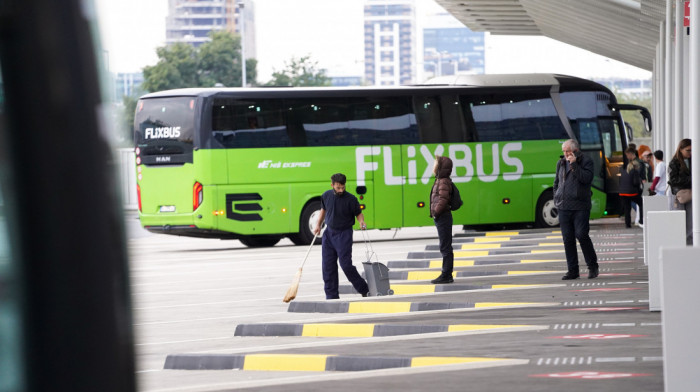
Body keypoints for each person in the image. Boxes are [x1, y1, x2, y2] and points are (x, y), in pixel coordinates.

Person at [313, 173, 370, 299]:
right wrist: (318, 225)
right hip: (328, 234)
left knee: (346, 265)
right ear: (332, 185)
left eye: (342, 187)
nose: (341, 190)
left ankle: (364, 289)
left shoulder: (351, 199)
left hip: (344, 234)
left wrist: (361, 222)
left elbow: (359, 213)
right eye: (338, 188)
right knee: (328, 266)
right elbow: (323, 211)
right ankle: (331, 296)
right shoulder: (326, 195)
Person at [553, 139, 599, 280]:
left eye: (567, 151)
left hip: (580, 206)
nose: (565, 154)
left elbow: (586, 179)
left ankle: (593, 266)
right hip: (564, 206)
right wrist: (556, 197)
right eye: (564, 151)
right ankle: (573, 270)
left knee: (581, 235)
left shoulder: (586, 161)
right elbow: (556, 182)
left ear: (575, 150)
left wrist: (574, 164)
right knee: (568, 239)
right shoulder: (560, 163)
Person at [429, 155, 455, 284]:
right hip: (442, 217)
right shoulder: (441, 180)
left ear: (440, 166)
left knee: (445, 247)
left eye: (435, 164)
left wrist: (436, 212)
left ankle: (446, 275)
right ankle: (446, 274)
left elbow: (443, 199)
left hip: (443, 217)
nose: (433, 166)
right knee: (445, 246)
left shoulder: (443, 181)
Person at [668, 138, 693, 245]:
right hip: (678, 194)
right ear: (681, 149)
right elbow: (673, 180)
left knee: (690, 221)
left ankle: (689, 244)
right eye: (688, 150)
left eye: (692, 150)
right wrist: (691, 179)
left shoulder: (693, 161)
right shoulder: (674, 162)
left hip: (690, 194)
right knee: (679, 220)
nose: (690, 153)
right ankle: (679, 243)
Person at [619, 147, 645, 229]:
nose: (626, 157)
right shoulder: (636, 167)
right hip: (632, 191)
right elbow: (636, 182)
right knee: (641, 204)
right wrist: (639, 189)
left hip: (622, 191)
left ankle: (627, 224)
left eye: (627, 155)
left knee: (627, 207)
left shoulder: (624, 168)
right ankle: (641, 220)